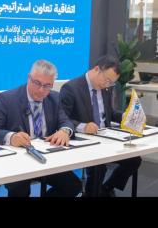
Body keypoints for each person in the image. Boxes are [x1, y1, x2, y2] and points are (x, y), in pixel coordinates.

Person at [0, 59, 82, 197]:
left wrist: (65, 131)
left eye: (47, 86)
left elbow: (66, 121)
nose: (41, 90)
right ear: (29, 78)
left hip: (46, 159)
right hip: (17, 162)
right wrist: (11, 137)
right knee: (19, 190)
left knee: (73, 185)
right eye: (37, 83)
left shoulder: (55, 98)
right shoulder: (7, 99)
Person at [59, 55, 142, 197]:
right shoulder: (71, 88)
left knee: (134, 160)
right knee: (99, 168)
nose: (107, 85)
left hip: (107, 136)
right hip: (85, 140)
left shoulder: (105, 88)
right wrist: (83, 126)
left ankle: (106, 188)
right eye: (107, 80)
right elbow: (61, 118)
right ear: (97, 69)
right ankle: (93, 194)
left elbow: (109, 112)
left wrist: (124, 116)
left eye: (111, 83)